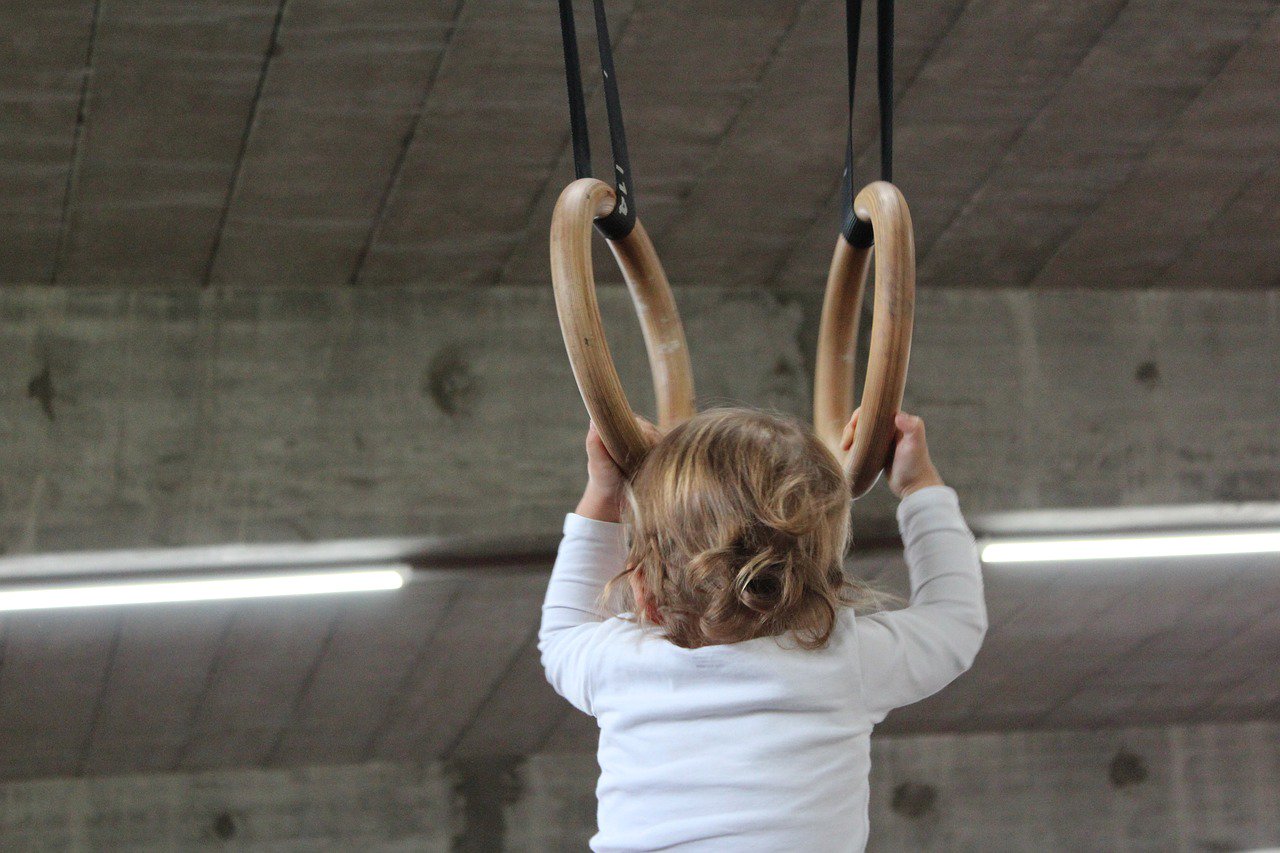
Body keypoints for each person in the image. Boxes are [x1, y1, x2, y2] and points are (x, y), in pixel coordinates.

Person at [539, 406, 987, 851]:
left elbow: (561, 633)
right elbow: (954, 621)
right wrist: (918, 485)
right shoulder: (841, 661)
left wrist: (603, 495)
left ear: (641, 588)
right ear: (825, 577)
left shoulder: (619, 664)